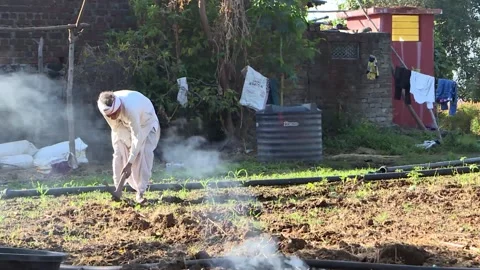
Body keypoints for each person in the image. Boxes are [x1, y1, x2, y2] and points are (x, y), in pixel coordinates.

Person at [97, 90, 160, 203]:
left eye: (113, 114)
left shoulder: (131, 109)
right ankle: (118, 189)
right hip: (122, 124)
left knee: (143, 153)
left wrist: (130, 163)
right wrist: (126, 150)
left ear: (119, 108)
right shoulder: (103, 106)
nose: (111, 117)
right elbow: (115, 128)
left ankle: (140, 193)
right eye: (109, 116)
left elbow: (137, 137)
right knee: (118, 152)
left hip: (145, 121)